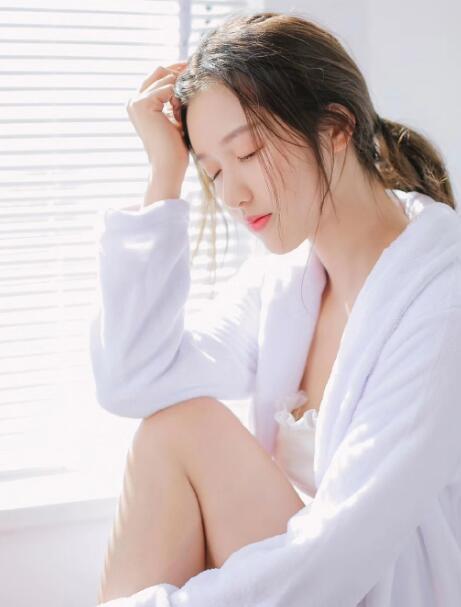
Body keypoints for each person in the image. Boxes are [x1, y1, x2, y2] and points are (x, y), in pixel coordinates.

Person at [90, 11, 461, 607]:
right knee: (173, 429)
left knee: (183, 431)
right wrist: (164, 174)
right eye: (213, 172)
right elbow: (133, 380)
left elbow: (337, 554)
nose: (232, 195)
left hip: (371, 587)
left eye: (248, 152)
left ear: (336, 127)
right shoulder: (288, 283)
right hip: (315, 580)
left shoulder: (442, 301)